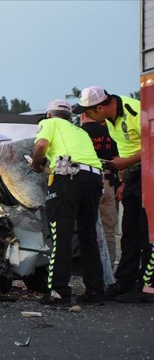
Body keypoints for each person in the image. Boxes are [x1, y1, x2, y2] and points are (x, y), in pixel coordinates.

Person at [73, 86, 153, 303]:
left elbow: (152, 143)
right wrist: (125, 181)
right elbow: (127, 149)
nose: (86, 115)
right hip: (134, 175)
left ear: (100, 108)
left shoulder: (135, 111)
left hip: (150, 171)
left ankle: (147, 285)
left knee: (147, 232)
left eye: (88, 111)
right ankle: (125, 280)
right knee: (129, 231)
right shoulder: (108, 121)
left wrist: (126, 162)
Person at [32, 99, 105, 305]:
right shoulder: (81, 132)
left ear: (49, 114)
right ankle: (95, 291)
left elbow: (41, 145)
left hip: (68, 174)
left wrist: (38, 164)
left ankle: (59, 291)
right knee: (88, 235)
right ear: (71, 117)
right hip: (93, 177)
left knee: (60, 234)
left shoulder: (50, 123)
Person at [80, 113, 120, 265]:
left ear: (83, 115)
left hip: (83, 182)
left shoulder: (78, 133)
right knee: (109, 230)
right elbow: (118, 159)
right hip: (107, 181)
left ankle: (89, 268)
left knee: (86, 229)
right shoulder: (110, 131)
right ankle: (108, 268)